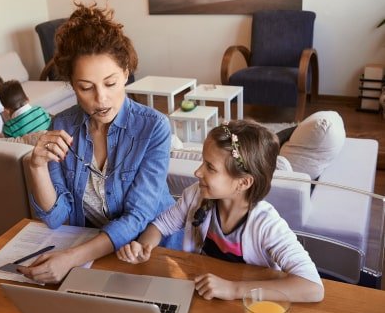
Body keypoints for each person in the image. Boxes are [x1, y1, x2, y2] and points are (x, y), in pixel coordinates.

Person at [17, 0, 175, 284]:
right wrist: (37, 167)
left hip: (147, 252)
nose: (100, 99)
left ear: (126, 74)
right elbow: (56, 218)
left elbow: (138, 218)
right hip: (90, 255)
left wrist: (71, 258)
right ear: (71, 85)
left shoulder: (154, 128)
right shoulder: (63, 125)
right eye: (85, 87)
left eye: (111, 83)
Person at [116, 120, 325, 303]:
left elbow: (312, 287)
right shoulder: (195, 196)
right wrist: (143, 246)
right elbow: (160, 225)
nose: (197, 172)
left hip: (247, 305)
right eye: (202, 163)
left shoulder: (267, 225)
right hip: (203, 293)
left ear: (243, 182)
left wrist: (233, 289)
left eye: (210, 167)